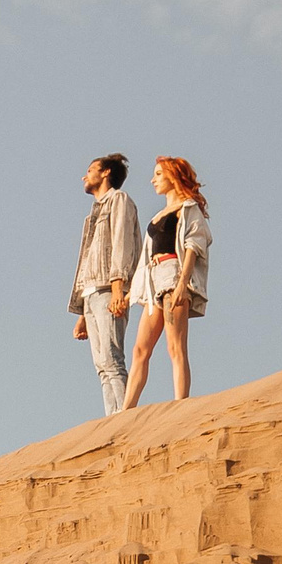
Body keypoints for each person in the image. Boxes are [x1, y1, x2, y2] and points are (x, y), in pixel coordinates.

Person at [123, 156, 211, 407]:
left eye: (159, 174)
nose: (153, 180)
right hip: (153, 282)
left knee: (175, 347)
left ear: (173, 176)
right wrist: (131, 294)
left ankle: (180, 405)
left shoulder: (188, 208)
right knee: (140, 350)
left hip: (173, 277)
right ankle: (126, 410)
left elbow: (194, 244)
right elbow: (144, 259)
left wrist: (184, 282)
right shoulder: (157, 216)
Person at [69, 153, 142, 416]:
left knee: (112, 359)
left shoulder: (119, 201)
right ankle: (111, 419)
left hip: (108, 289)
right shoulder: (92, 215)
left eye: (90, 170)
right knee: (101, 365)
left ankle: (125, 418)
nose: (84, 176)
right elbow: (86, 260)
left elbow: (123, 244)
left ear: (106, 173)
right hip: (91, 293)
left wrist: (117, 289)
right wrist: (82, 314)